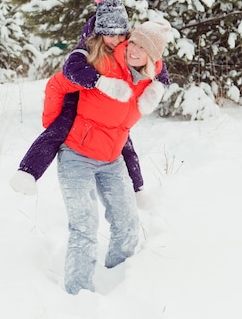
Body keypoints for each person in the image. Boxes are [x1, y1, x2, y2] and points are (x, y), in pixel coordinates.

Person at [42, 20, 172, 294]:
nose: (134, 50)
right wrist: (54, 125)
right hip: (76, 155)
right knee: (84, 226)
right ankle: (77, 297)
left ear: (153, 56)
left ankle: (120, 283)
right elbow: (58, 83)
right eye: (133, 42)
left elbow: (162, 73)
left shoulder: (151, 79)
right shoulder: (104, 62)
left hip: (112, 160)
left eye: (142, 47)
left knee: (128, 226)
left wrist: (158, 88)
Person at [10, 0, 169, 195]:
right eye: (110, 35)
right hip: (77, 95)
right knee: (59, 129)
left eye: (121, 34)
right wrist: (102, 83)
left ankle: (137, 190)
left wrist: (156, 88)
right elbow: (70, 70)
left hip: (103, 105)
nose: (116, 39)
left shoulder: (129, 44)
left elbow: (157, 63)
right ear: (100, 32)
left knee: (124, 141)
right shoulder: (87, 45)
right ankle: (27, 173)